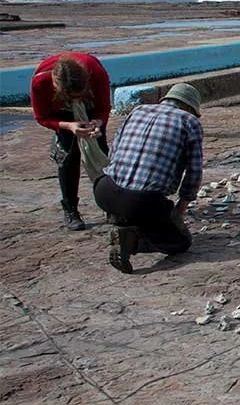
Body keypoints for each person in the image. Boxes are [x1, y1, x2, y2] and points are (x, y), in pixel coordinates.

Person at [94, 83, 204, 274]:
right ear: (189, 107)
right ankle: (133, 242)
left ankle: (120, 219)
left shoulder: (138, 111)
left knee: (131, 204)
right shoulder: (189, 122)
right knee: (181, 242)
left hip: (104, 191)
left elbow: (113, 153)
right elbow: (194, 171)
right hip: (142, 201)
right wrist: (180, 209)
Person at [30, 52, 112, 230]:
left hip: (90, 110)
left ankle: (111, 204)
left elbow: (104, 108)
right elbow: (42, 117)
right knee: (68, 155)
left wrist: (98, 123)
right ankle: (70, 209)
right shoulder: (40, 82)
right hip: (62, 114)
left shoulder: (95, 73)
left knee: (100, 151)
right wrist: (69, 126)